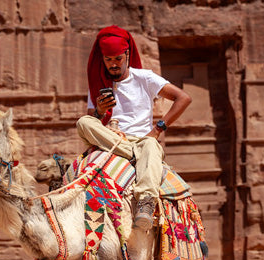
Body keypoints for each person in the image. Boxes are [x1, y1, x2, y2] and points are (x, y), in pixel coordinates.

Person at [76, 26, 192, 231]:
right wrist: (100, 112)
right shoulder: (97, 83)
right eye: (108, 59)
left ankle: (146, 201)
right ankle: (133, 154)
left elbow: (183, 98)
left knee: (150, 145)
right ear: (102, 59)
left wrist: (158, 128)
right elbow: (92, 121)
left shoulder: (144, 78)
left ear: (127, 55)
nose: (113, 64)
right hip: (111, 139)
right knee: (84, 122)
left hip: (141, 140)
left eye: (118, 59)